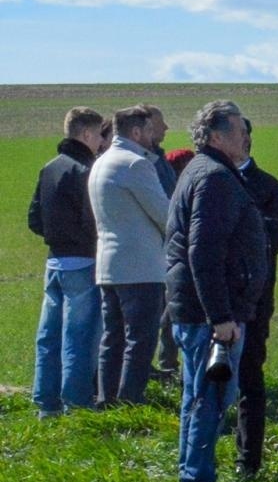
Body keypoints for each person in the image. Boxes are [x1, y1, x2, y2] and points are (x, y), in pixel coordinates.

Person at [166, 101, 268, 482]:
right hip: (208, 315)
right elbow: (203, 252)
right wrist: (221, 317)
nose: (246, 137)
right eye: (239, 130)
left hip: (198, 308)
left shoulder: (203, 171)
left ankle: (193, 475)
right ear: (214, 136)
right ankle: (197, 481)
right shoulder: (214, 178)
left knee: (198, 396)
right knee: (208, 399)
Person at [87, 106, 171, 406]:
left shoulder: (102, 161)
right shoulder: (136, 164)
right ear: (136, 132)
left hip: (109, 265)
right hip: (140, 266)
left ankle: (106, 397)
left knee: (113, 338)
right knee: (141, 338)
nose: (153, 136)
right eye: (149, 130)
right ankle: (129, 402)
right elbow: (164, 214)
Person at [28, 107, 105, 416]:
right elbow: (93, 221)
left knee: (48, 337)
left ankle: (45, 404)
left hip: (54, 262)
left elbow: (34, 219)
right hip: (83, 262)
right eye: (100, 134)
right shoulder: (85, 171)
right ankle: (76, 404)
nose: (101, 141)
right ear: (86, 134)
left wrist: (56, 236)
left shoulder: (49, 168)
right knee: (79, 337)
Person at [234, 117, 278, 479]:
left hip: (253, 297)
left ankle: (247, 460)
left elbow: (272, 243)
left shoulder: (267, 186)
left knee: (249, 375)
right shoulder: (208, 179)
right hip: (213, 298)